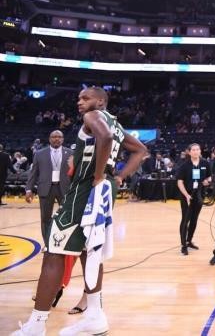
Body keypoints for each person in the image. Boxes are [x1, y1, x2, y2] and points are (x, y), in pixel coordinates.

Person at [12, 87, 148, 336]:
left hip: (85, 191)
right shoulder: (116, 123)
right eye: (79, 98)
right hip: (104, 191)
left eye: (86, 98)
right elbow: (141, 150)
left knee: (54, 253)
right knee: (90, 251)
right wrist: (118, 177)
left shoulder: (93, 116)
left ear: (101, 101)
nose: (80, 102)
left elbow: (105, 137)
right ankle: (95, 316)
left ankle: (36, 325)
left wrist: (97, 175)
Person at [25, 130, 72, 242]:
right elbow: (33, 173)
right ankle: (47, 243)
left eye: (59, 137)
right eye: (54, 137)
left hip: (64, 188)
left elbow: (75, 173)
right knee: (45, 218)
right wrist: (28, 189)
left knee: (66, 217)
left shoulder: (71, 153)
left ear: (63, 139)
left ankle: (65, 242)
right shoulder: (39, 154)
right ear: (49, 139)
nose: (57, 139)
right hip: (46, 188)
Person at [176, 143, 211, 255]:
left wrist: (207, 181)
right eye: (193, 150)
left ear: (200, 151)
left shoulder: (205, 163)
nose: (196, 151)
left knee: (194, 219)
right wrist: (186, 195)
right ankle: (183, 245)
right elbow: (179, 182)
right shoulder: (184, 165)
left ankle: (189, 240)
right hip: (187, 196)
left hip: (199, 194)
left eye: (197, 149)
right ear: (189, 152)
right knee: (185, 219)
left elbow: (209, 177)